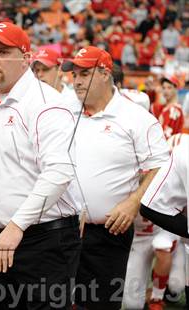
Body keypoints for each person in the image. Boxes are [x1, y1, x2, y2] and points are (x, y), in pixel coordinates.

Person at [0, 22, 81, 309]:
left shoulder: (47, 104)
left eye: (3, 52)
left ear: (25, 57)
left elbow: (59, 173)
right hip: (5, 237)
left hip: (45, 239)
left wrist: (15, 225)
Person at [61, 46, 170, 309]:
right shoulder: (63, 110)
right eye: (74, 74)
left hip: (106, 232)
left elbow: (162, 165)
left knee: (99, 303)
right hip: (61, 229)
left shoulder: (135, 117)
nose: (76, 81)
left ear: (104, 73)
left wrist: (133, 202)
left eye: (84, 74)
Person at [140, 133, 189, 309]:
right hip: (147, 231)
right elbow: (148, 206)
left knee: (176, 286)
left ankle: (159, 293)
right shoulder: (181, 153)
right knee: (131, 301)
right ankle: (156, 295)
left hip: (172, 229)